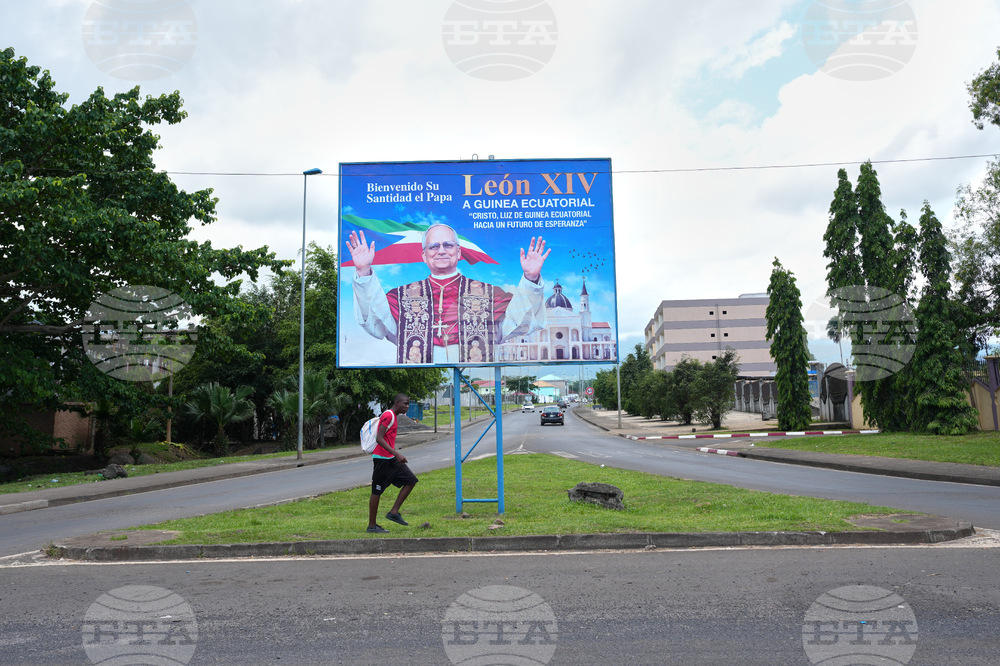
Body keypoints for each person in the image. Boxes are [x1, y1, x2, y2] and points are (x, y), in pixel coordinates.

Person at [348, 223, 550, 364]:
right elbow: (378, 325)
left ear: (459, 252)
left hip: (474, 375)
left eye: (448, 245)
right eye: (434, 246)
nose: (441, 250)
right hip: (421, 378)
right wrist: (364, 272)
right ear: (424, 256)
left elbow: (514, 325)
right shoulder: (401, 296)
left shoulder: (489, 294)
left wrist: (531, 279)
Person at [367, 393, 418, 533]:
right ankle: (372, 525)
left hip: (390, 458)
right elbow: (379, 438)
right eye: (405, 404)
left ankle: (394, 512)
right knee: (377, 491)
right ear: (397, 403)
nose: (407, 406)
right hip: (381, 459)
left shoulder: (394, 416)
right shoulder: (388, 415)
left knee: (411, 480)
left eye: (408, 404)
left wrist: (394, 455)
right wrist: (397, 453)